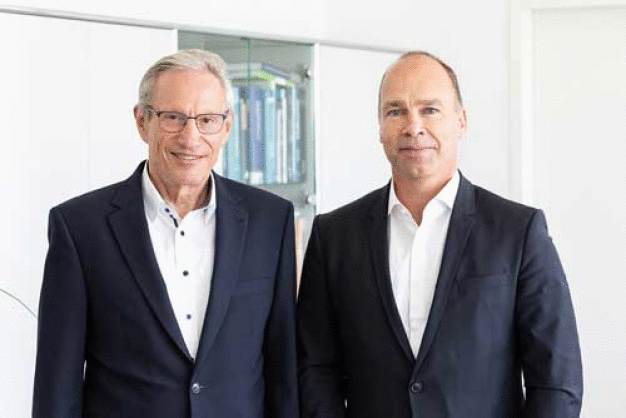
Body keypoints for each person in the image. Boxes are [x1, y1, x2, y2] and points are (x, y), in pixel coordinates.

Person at [297, 51, 582, 418]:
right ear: (380, 126)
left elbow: (557, 378)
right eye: (396, 111)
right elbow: (315, 368)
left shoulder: (518, 231)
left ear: (461, 121)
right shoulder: (333, 236)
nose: (413, 126)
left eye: (430, 110)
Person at [33, 49, 298, 418]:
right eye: (173, 118)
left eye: (206, 120)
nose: (191, 138)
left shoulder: (271, 220)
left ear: (226, 126)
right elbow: (55, 387)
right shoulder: (79, 228)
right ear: (142, 121)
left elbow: (284, 368)